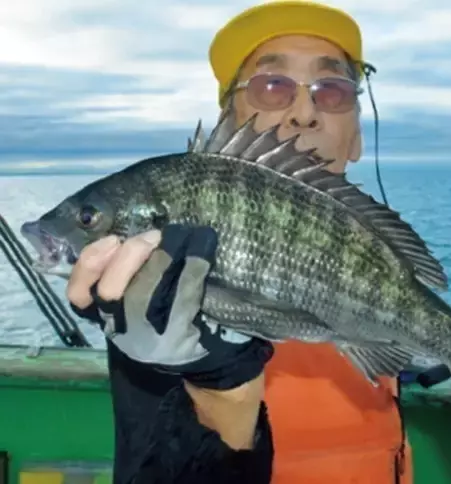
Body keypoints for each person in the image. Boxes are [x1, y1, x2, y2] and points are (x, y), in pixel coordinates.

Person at [67, 2, 413, 483]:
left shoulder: (374, 258)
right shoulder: (153, 282)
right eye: (272, 86)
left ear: (356, 136)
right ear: (229, 125)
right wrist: (217, 387)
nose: (305, 112)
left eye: (332, 90)